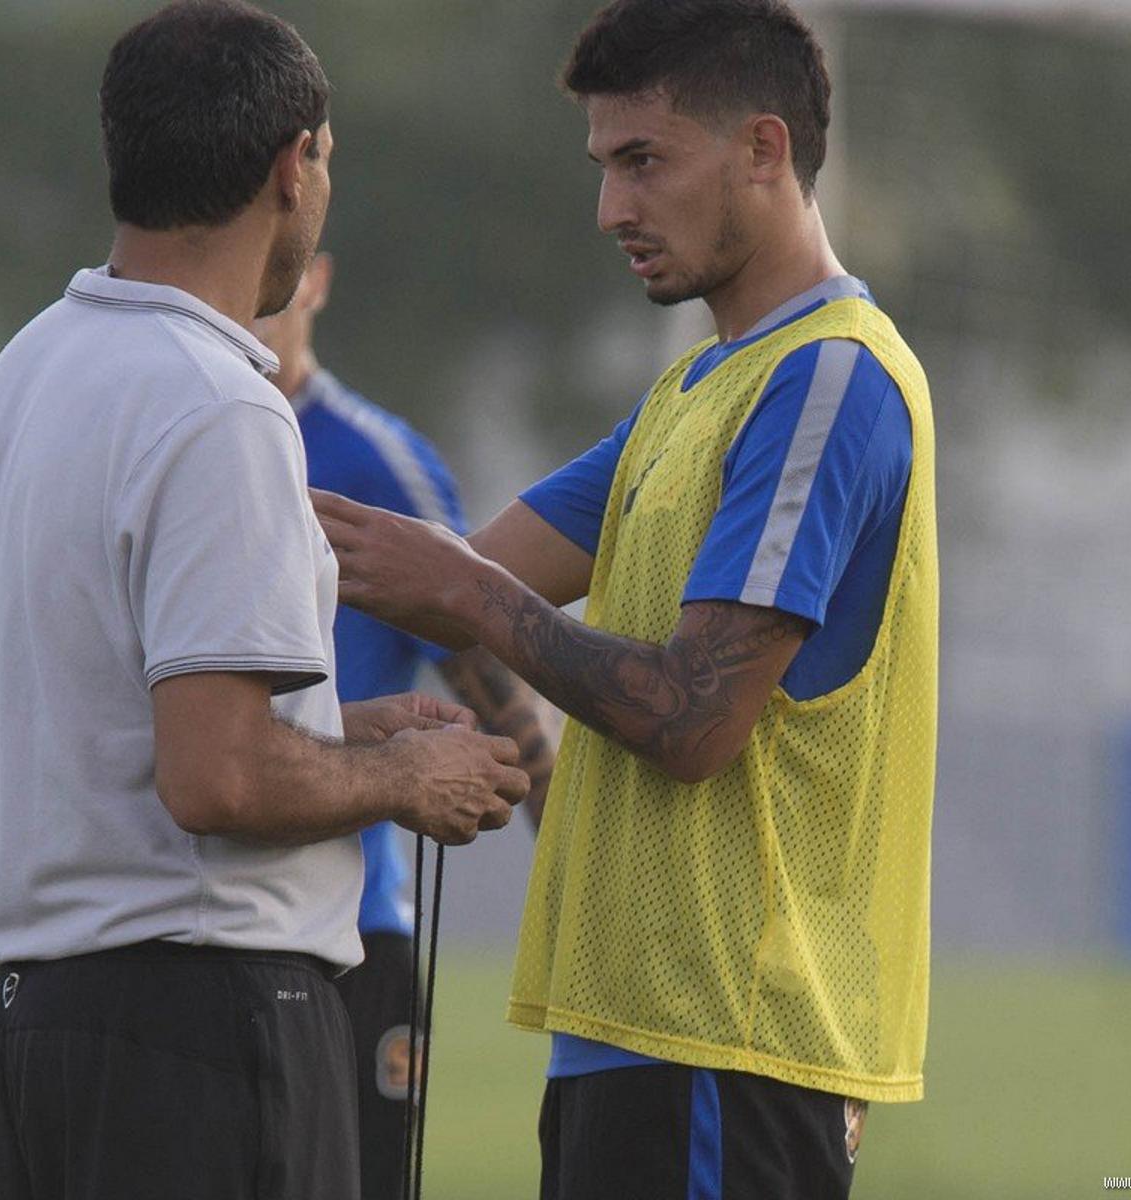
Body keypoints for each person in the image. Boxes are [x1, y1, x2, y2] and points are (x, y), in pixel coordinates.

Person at [0, 4, 533, 1197]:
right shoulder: (222, 409)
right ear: (296, 164)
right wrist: (407, 780)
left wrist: (359, 728)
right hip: (209, 1030)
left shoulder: (21, 379)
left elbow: (97, 725)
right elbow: (216, 780)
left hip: (37, 1032)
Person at [312, 2, 938, 1197]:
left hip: (730, 1041)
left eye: (644, 162)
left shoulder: (829, 381)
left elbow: (694, 721)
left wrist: (474, 596)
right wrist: (119, 457)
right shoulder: (695, 393)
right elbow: (438, 574)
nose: (611, 210)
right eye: (605, 168)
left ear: (764, 150)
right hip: (634, 1039)